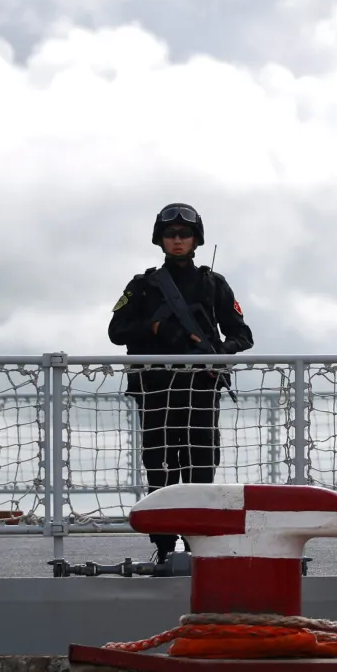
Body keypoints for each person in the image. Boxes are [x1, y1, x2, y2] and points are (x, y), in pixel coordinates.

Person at [109, 203, 254, 562]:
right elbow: (117, 331)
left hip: (200, 388)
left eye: (184, 234)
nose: (177, 240)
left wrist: (216, 353)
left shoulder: (212, 284)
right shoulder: (143, 286)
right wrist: (155, 328)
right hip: (156, 387)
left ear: (196, 240)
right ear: (160, 239)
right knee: (158, 463)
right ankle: (162, 542)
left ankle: (197, 540)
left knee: (200, 463)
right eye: (171, 234)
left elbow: (242, 334)